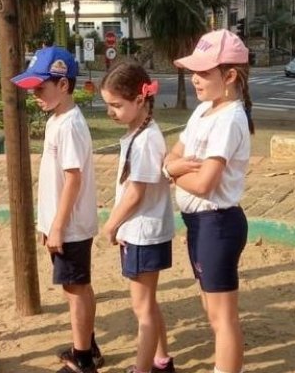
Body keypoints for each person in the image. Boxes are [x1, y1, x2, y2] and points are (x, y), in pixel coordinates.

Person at [163, 29, 255, 373]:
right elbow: (173, 153)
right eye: (193, 73)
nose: (195, 80)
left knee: (222, 316)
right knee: (211, 309)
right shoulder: (203, 112)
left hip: (218, 223)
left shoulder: (229, 119)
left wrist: (171, 172)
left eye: (203, 73)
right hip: (199, 223)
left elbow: (203, 183)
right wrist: (173, 165)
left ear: (229, 76)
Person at [12, 46, 103, 373]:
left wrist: (59, 226)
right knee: (75, 286)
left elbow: (73, 180)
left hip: (71, 226)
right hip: (61, 223)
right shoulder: (57, 119)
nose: (35, 94)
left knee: (75, 288)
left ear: (63, 85)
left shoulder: (70, 126)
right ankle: (87, 345)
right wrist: (46, 222)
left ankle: (81, 359)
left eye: (40, 87)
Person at [99, 61, 177, 373]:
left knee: (142, 307)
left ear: (140, 100)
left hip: (143, 233)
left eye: (117, 105)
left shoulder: (145, 139)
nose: (111, 112)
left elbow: (135, 192)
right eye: (108, 105)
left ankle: (143, 368)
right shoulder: (140, 132)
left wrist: (111, 222)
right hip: (142, 231)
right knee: (148, 302)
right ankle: (161, 359)